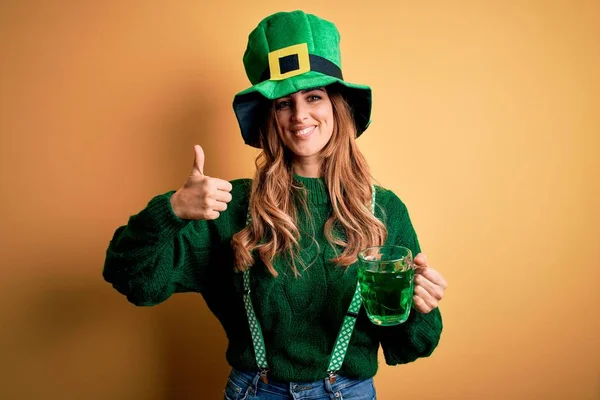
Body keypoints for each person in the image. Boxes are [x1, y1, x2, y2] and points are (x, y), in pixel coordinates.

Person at [103, 10, 447, 400]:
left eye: (313, 97)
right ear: (270, 116)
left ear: (337, 107)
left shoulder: (382, 209)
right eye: (284, 103)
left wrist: (420, 305)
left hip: (349, 393)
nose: (300, 115)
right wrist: (172, 211)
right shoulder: (231, 207)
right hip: (256, 392)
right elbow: (131, 279)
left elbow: (411, 345)